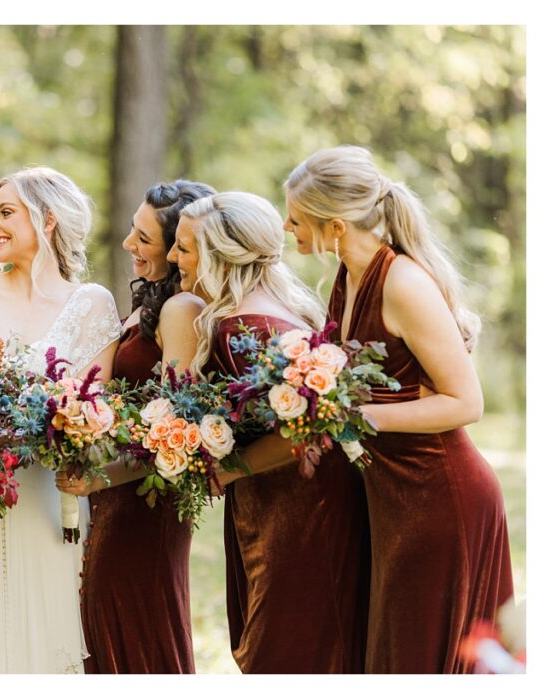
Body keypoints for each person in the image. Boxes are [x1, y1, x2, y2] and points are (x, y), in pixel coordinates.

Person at [284, 145, 514, 673]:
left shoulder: (404, 284)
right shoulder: (346, 276)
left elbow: (467, 402)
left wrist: (357, 419)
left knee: (421, 659)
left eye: (296, 219)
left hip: (440, 496)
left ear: (335, 225)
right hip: (391, 497)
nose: (286, 227)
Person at [0, 166, 121, 673]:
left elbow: (94, 416)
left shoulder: (91, 305)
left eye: (6, 213)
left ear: (48, 219)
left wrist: (76, 428)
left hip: (49, 499)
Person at [169, 191, 371, 672]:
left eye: (184, 247)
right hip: (298, 504)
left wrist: (224, 470)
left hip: (298, 515)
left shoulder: (242, 332)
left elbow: (306, 432)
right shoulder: (274, 308)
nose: (174, 258)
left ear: (219, 256)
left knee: (289, 650)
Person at [54, 180, 213, 673]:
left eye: (144, 239)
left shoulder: (181, 310)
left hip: (145, 504)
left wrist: (102, 476)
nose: (128, 245)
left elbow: (175, 431)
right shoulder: (152, 304)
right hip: (115, 497)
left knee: (136, 636)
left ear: (180, 247)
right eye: (132, 231)